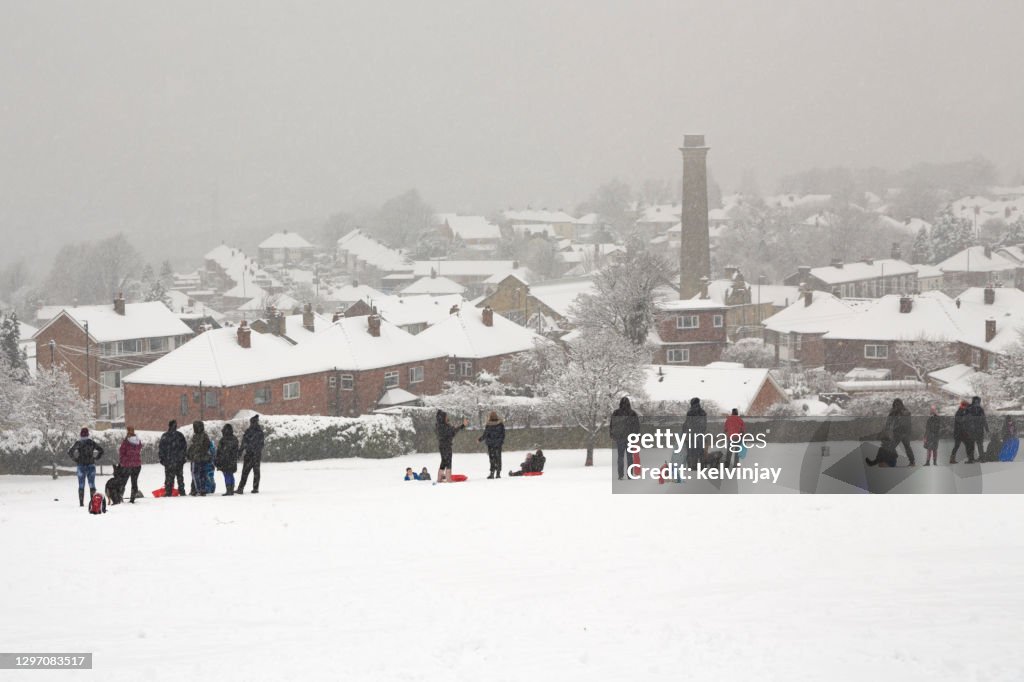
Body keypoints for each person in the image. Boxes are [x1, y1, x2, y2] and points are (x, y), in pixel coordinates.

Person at [68, 428, 104, 507]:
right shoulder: (91, 442)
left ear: (80, 434)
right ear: (88, 434)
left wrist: (76, 459)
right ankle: (93, 502)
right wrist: (96, 458)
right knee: (92, 484)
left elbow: (70, 452)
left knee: (81, 485)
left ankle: (81, 503)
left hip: (81, 466)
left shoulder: (78, 443)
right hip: (91, 465)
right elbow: (101, 450)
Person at [609, 397, 641, 481]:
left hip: (620, 438)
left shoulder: (616, 413)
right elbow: (637, 426)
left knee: (620, 457)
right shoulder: (632, 413)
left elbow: (612, 425)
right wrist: (636, 437)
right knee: (630, 457)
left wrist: (612, 435)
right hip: (630, 438)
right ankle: (630, 475)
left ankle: (620, 475)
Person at [435, 410, 466, 483]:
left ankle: (439, 478)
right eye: (446, 416)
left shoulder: (439, 425)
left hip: (442, 446)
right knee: (448, 461)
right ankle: (448, 479)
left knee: (444, 461)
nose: (447, 417)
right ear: (443, 418)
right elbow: (453, 432)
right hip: (446, 446)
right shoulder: (444, 426)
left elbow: (452, 431)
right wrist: (462, 426)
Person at [158, 420, 188, 497]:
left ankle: (168, 492)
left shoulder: (165, 436)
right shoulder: (180, 435)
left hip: (169, 461)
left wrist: (162, 459)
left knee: (169, 477)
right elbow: (184, 448)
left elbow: (161, 449)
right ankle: (182, 491)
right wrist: (183, 458)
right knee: (180, 477)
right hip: (178, 461)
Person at [237, 414, 265, 494]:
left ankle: (240, 488)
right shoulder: (260, 432)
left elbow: (243, 443)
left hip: (249, 455)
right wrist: (257, 451)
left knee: (245, 472)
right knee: (256, 472)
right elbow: (262, 444)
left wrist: (240, 452)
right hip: (256, 455)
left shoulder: (249, 431)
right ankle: (255, 488)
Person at [885, 398, 915, 466]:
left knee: (906, 447)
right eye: (896, 404)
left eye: (898, 404)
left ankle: (912, 462)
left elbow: (907, 414)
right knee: (892, 447)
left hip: (904, 432)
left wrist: (899, 411)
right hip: (898, 433)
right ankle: (891, 461)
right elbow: (889, 421)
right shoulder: (893, 411)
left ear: (901, 404)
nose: (897, 406)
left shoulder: (904, 411)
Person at [187, 421, 213, 496]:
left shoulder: (203, 436)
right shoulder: (198, 436)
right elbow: (194, 447)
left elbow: (205, 446)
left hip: (199, 458)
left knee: (197, 474)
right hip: (199, 458)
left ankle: (199, 489)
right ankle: (197, 489)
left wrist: (197, 452)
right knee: (200, 474)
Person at [117, 426, 143, 503]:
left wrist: (122, 462)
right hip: (137, 465)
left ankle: (120, 496)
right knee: (134, 482)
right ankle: (132, 498)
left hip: (127, 465)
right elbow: (139, 448)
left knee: (123, 481)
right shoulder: (138, 441)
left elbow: (121, 452)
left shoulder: (126, 442)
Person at [478, 411, 506, 479]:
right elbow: (503, 434)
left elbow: (486, 434)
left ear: (490, 417)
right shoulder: (500, 424)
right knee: (498, 458)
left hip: (491, 444)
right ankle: (498, 474)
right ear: (497, 416)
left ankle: (492, 473)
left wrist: (480, 439)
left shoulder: (489, 425)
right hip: (498, 444)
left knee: (492, 459)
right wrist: (500, 441)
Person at [215, 423, 240, 496]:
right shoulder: (234, 438)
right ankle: (231, 489)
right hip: (232, 460)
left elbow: (220, 451)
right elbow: (235, 450)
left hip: (225, 461)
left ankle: (229, 490)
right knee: (230, 474)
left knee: (227, 475)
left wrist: (219, 458)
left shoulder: (223, 439)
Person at [685, 397, 708, 470]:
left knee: (692, 451)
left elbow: (688, 424)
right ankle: (702, 466)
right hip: (700, 434)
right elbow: (704, 425)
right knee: (700, 450)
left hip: (692, 435)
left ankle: (693, 466)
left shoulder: (690, 412)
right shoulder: (703, 412)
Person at [965, 396, 988, 464]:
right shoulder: (980, 409)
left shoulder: (969, 408)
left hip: (971, 431)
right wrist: (987, 429)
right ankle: (982, 458)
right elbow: (984, 420)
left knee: (971, 445)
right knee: (980, 445)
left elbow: (966, 420)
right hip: (979, 431)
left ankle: (971, 459)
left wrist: (965, 429)